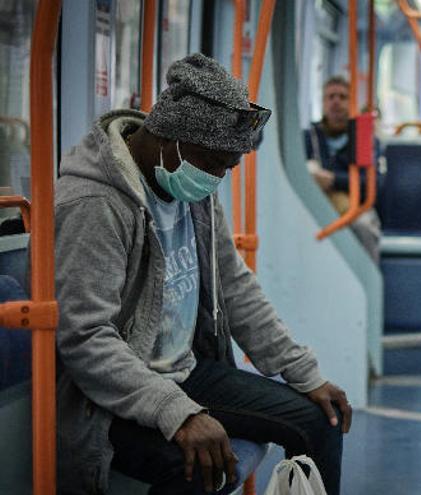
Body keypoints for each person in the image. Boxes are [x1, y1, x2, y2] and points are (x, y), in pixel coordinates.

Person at [55, 53, 352, 495]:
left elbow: (235, 286)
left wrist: (302, 371)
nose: (217, 179)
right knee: (199, 467)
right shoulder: (95, 205)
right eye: (213, 164)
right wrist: (178, 412)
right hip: (114, 395)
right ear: (169, 140)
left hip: (186, 371)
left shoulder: (189, 185)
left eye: (227, 168)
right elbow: (85, 337)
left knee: (319, 419)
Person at [304, 76, 381, 262]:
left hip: (355, 206)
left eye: (342, 97)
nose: (336, 102)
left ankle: (366, 282)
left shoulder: (364, 137)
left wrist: (333, 180)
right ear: (323, 103)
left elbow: (373, 183)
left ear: (352, 102)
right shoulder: (310, 137)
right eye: (330, 97)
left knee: (364, 227)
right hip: (317, 204)